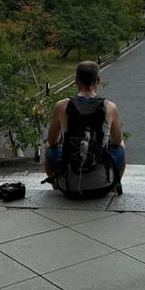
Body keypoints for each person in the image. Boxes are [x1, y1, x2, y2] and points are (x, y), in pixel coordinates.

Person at [44, 60, 126, 192]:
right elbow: (116, 141)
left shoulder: (61, 106)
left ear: (76, 81)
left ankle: (57, 184)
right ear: (97, 80)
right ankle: (114, 185)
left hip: (69, 186)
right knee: (121, 144)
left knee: (48, 145)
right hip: (101, 186)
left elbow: (52, 140)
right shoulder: (109, 107)